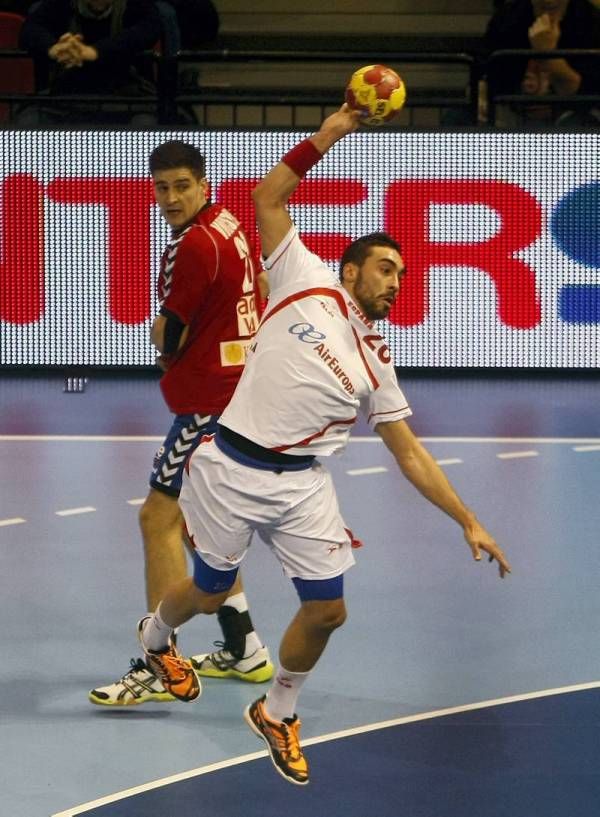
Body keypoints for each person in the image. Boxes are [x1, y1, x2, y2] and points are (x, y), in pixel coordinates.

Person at [134, 106, 512, 786]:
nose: (395, 280)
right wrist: (332, 133)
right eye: (384, 267)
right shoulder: (302, 275)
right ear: (350, 269)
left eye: (401, 273)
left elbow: (410, 454)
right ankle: (157, 636)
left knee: (329, 608)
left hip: (304, 484)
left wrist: (469, 519)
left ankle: (278, 710)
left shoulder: (378, 363)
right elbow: (266, 196)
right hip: (230, 466)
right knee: (213, 592)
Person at [88, 140, 273, 707]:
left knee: (157, 517)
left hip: (208, 402)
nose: (170, 198)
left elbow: (171, 330)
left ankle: (159, 665)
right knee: (198, 525)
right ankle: (245, 650)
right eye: (161, 187)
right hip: (238, 393)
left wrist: (161, 344)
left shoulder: (191, 246)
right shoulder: (228, 223)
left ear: (202, 182)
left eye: (181, 186)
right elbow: (262, 289)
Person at [19, 0, 162, 124]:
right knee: (29, 121)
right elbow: (30, 29)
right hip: (66, 97)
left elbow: (148, 29)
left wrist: (95, 52)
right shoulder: (60, 4)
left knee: (146, 123)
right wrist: (53, 49)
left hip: (126, 98)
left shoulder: (136, 5)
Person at [484, 0, 600, 125]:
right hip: (512, 115)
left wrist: (548, 54)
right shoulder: (506, 19)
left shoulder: (591, 21)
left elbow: (583, 97)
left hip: (573, 115)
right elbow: (494, 85)